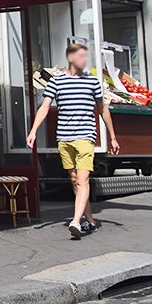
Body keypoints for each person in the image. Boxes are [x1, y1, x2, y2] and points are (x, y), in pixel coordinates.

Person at [26, 41, 120, 239]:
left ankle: (76, 221)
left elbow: (103, 109)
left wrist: (112, 137)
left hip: (85, 136)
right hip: (64, 137)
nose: (83, 61)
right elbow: (44, 107)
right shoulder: (56, 81)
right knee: (75, 180)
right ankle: (91, 221)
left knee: (83, 179)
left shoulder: (93, 81)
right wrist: (33, 130)